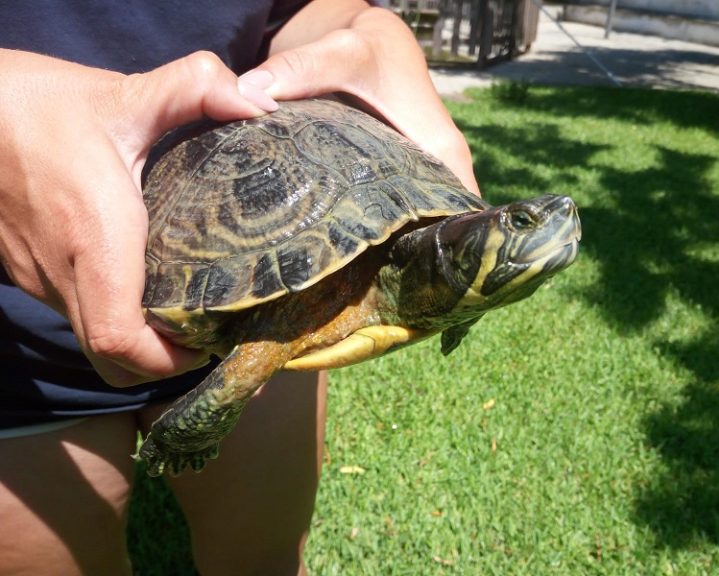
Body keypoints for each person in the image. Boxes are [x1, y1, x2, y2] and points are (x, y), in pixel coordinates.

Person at [0, 1, 479, 574]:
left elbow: (304, 10)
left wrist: (365, 30)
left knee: (264, 561)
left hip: (276, 291)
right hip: (20, 335)